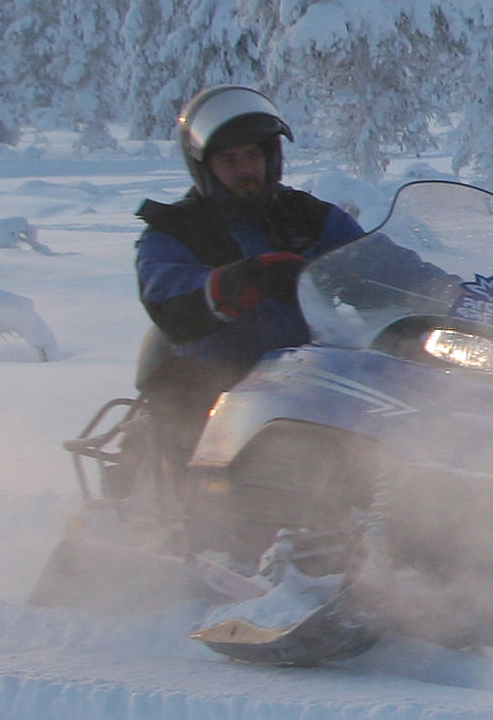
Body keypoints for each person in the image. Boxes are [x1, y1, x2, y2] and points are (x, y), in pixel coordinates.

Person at [124, 86, 368, 488]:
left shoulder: (307, 217)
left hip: (310, 372)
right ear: (205, 166)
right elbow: (169, 296)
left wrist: (460, 296)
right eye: (229, 160)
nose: (245, 169)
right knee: (185, 404)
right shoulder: (173, 231)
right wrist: (237, 282)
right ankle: (195, 524)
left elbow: (377, 264)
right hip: (218, 376)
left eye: (253, 156)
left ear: (271, 158)